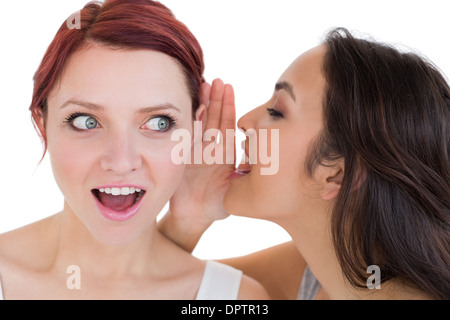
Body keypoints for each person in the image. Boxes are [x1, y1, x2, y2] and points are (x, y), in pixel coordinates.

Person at [0, 0, 270, 300]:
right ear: (42, 123)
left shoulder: (235, 299)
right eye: (86, 121)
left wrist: (189, 220)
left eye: (158, 123)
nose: (121, 161)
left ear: (196, 129)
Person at [160, 27, 450, 300]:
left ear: (336, 174)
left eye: (277, 111)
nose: (245, 121)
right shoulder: (319, 272)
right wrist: (188, 219)